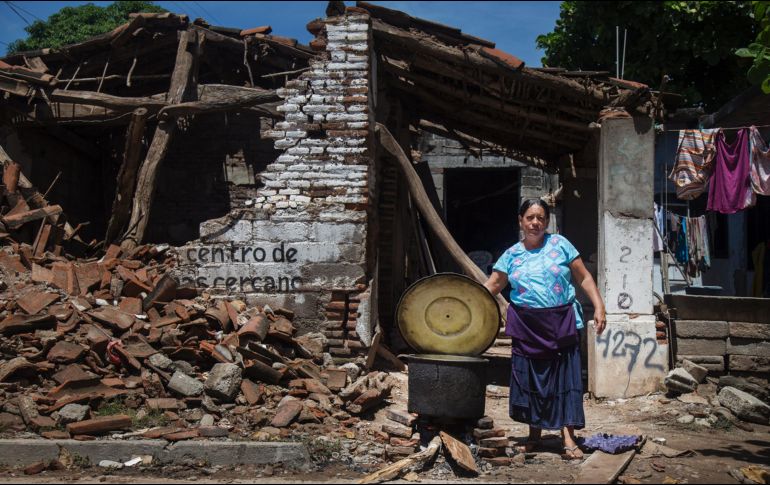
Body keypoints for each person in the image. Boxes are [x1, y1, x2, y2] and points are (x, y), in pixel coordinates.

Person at [483, 199, 606, 460]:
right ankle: (534, 436)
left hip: (561, 321)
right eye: (530, 217)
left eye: (540, 217)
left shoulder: (561, 245)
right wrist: (462, 303)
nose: (535, 223)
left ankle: (568, 438)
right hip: (528, 325)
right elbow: (493, 285)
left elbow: (583, 277)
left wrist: (599, 306)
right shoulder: (512, 254)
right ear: (521, 221)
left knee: (565, 378)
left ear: (547, 221)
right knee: (530, 380)